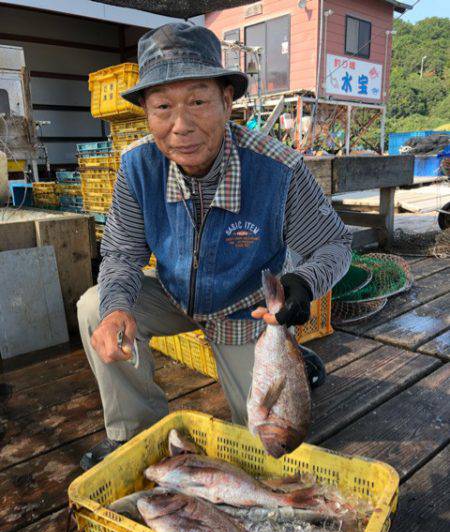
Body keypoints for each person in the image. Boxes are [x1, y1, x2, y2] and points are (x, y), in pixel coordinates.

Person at [77, 23, 352, 471]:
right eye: (162, 106)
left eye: (198, 101)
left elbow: (334, 245)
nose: (180, 125)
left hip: (247, 311)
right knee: (96, 308)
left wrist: (303, 282)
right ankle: (135, 434)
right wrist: (116, 306)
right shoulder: (136, 167)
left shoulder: (278, 169)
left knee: (272, 446)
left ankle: (292, 355)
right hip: (172, 292)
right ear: (146, 112)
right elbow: (122, 254)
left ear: (227, 101)